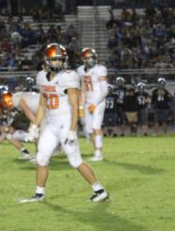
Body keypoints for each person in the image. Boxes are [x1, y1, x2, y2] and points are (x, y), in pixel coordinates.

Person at [20, 43, 108, 203]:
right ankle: (39, 194)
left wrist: (73, 129)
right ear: (47, 60)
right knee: (41, 158)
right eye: (54, 60)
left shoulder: (69, 76)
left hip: (66, 123)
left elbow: (74, 105)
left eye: (60, 60)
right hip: (51, 123)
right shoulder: (41, 77)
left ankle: (99, 190)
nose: (57, 63)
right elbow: (42, 105)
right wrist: (34, 126)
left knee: (75, 161)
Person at [77, 47, 109, 161]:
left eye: (92, 57)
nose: (91, 60)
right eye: (88, 58)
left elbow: (105, 90)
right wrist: (81, 106)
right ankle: (96, 150)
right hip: (88, 102)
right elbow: (83, 90)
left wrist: (95, 104)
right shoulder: (80, 70)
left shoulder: (100, 69)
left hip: (98, 101)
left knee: (96, 126)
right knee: (89, 129)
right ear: (83, 59)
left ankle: (99, 153)